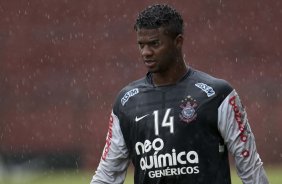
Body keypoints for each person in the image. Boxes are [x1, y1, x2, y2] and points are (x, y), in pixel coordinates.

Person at [90, 4, 269, 184]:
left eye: (154, 44)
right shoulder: (126, 102)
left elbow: (250, 167)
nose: (146, 52)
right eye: (141, 45)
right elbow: (107, 175)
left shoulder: (218, 95)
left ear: (178, 41)